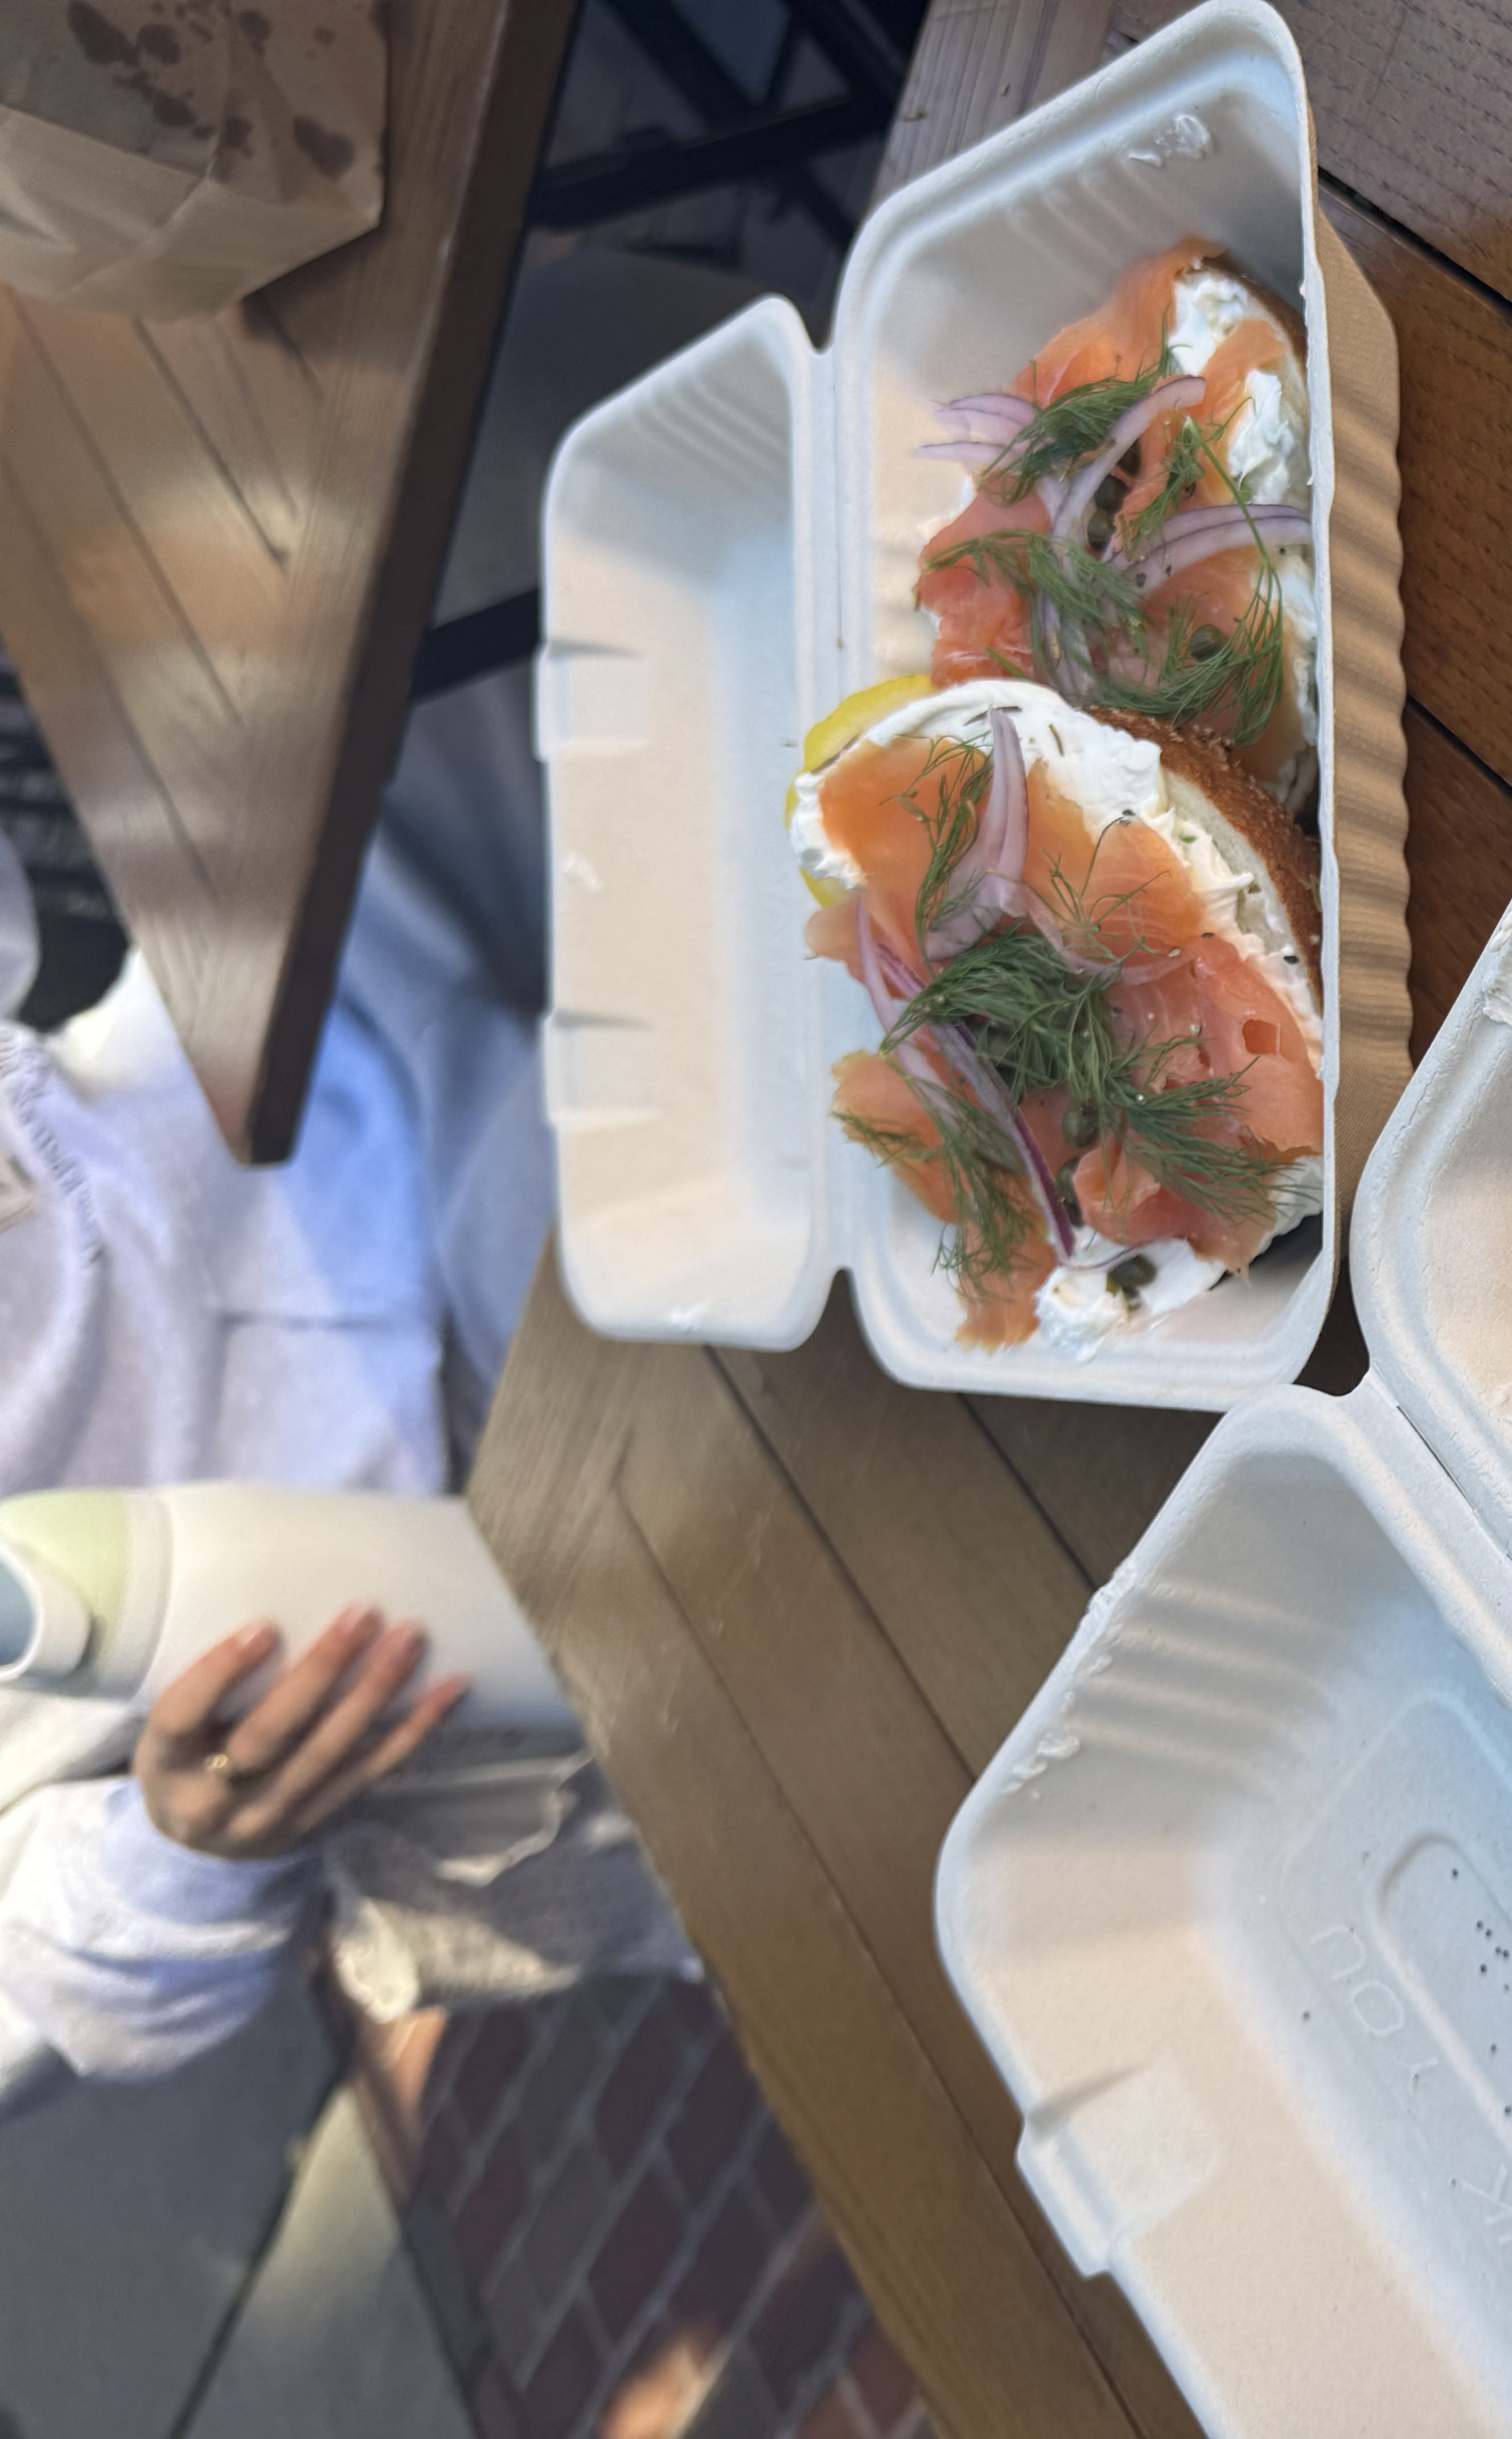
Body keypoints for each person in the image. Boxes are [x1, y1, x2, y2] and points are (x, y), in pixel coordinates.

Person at [0, 248, 761, 2124]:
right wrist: (181, 1841)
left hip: (288, 1093)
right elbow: (57, 1993)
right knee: (714, 1277)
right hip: (400, 1579)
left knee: (496, 453)